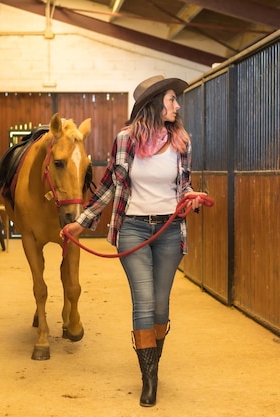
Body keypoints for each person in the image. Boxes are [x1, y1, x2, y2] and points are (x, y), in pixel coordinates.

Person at [60, 75, 207, 407]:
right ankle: (149, 379)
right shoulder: (125, 140)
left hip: (169, 230)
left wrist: (191, 197)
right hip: (133, 229)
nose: (177, 105)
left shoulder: (182, 140)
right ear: (154, 104)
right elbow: (111, 184)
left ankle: (153, 362)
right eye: (171, 99)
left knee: (160, 304)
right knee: (143, 301)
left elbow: (184, 185)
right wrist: (81, 224)